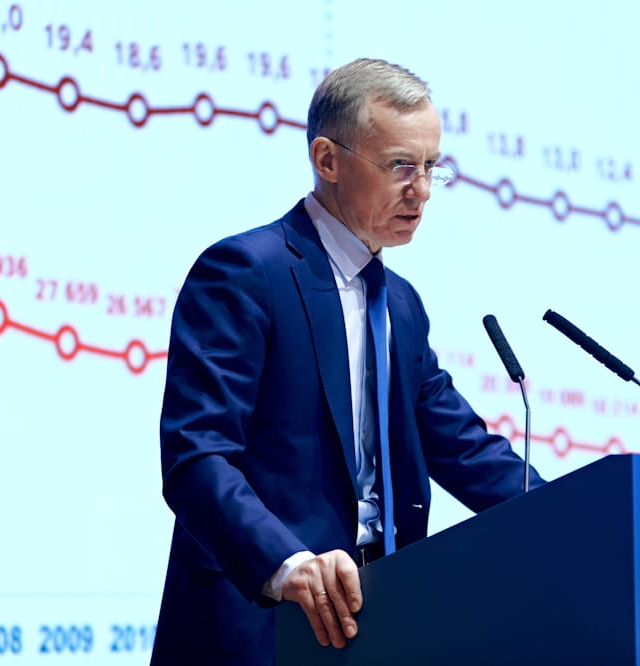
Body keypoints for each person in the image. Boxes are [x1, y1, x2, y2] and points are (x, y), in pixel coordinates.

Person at [151, 57, 545, 665]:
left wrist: (581, 516)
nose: (421, 190)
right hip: (264, 620)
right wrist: (288, 564)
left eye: (432, 167)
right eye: (401, 166)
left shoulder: (401, 305)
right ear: (327, 160)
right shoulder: (246, 274)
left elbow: (464, 449)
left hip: (376, 616)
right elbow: (196, 457)